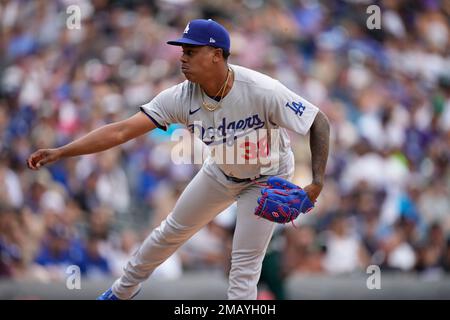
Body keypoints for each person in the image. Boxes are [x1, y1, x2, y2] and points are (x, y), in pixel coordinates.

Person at [27, 19, 330, 300]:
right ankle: (120, 292)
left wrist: (316, 181)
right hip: (222, 171)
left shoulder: (261, 90)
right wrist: (63, 151)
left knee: (245, 264)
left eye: (190, 51)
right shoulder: (180, 97)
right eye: (182, 51)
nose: (182, 57)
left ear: (216, 54)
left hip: (265, 178)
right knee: (170, 232)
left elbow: (319, 121)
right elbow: (120, 132)